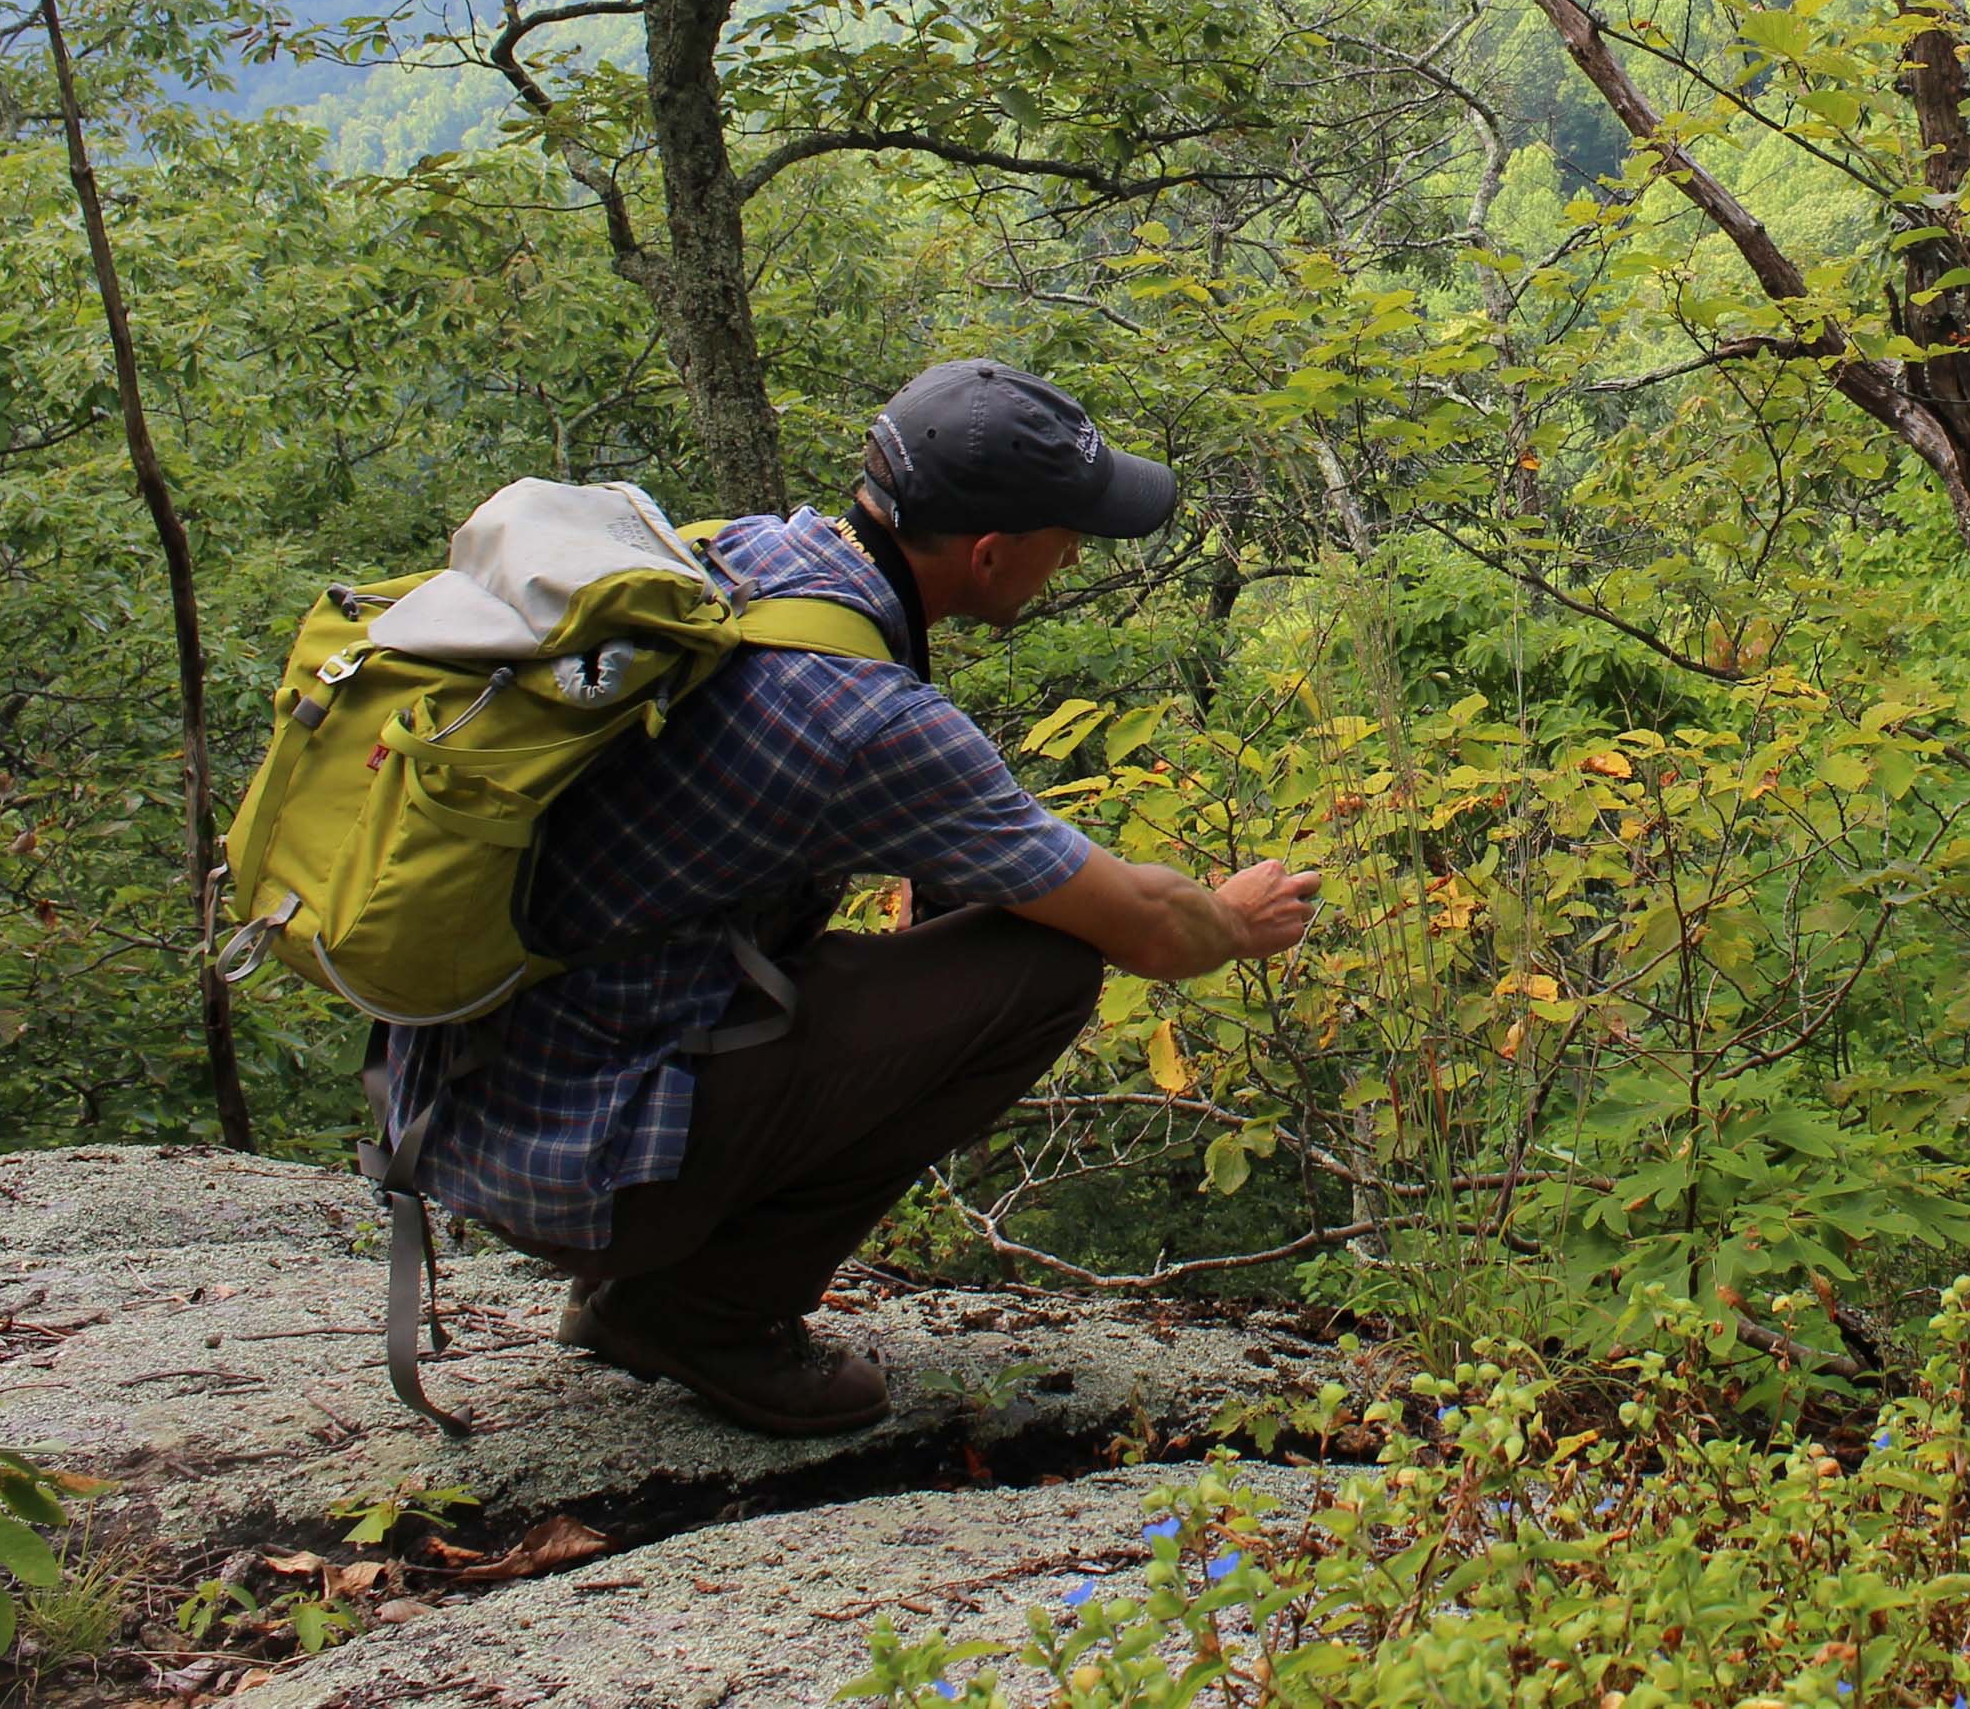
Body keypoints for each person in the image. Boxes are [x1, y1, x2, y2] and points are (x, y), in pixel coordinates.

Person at [382, 360, 1319, 1436]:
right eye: (1069, 539)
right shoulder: (865, 716)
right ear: (988, 553)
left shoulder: (751, 554)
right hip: (577, 1160)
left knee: (926, 943)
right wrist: (1232, 923)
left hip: (469, 1099)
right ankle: (701, 1313)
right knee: (1043, 969)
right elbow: (1146, 930)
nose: (1071, 560)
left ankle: (646, 1286)